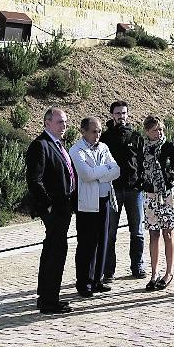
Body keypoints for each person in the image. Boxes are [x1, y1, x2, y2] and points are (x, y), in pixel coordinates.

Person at [26, 107, 76, 314]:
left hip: (64, 207)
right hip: (54, 209)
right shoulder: (40, 145)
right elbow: (34, 179)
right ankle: (48, 301)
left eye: (65, 122)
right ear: (47, 123)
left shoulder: (58, 144)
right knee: (54, 252)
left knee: (56, 251)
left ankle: (49, 296)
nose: (63, 126)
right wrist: (47, 204)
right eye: (59, 122)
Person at [69, 116, 120, 297]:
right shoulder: (76, 150)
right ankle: (84, 283)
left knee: (103, 241)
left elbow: (116, 170)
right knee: (87, 244)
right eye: (93, 131)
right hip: (87, 204)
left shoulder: (104, 147)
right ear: (83, 132)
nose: (97, 135)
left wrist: (98, 173)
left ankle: (97, 280)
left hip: (104, 199)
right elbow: (86, 175)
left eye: (99, 131)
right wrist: (103, 172)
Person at [101, 100, 147, 281]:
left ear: (128, 115)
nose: (121, 116)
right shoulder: (104, 138)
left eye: (124, 113)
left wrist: (141, 181)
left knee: (137, 231)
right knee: (110, 232)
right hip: (113, 191)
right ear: (112, 115)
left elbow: (143, 161)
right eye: (118, 113)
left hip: (134, 191)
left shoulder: (136, 136)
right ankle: (108, 271)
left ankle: (137, 266)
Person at [140, 115, 174, 291]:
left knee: (168, 234)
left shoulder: (169, 146)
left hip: (166, 195)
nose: (159, 133)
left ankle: (169, 273)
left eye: (161, 129)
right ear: (147, 131)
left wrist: (171, 175)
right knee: (153, 234)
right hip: (150, 196)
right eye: (155, 130)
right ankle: (154, 274)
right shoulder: (143, 148)